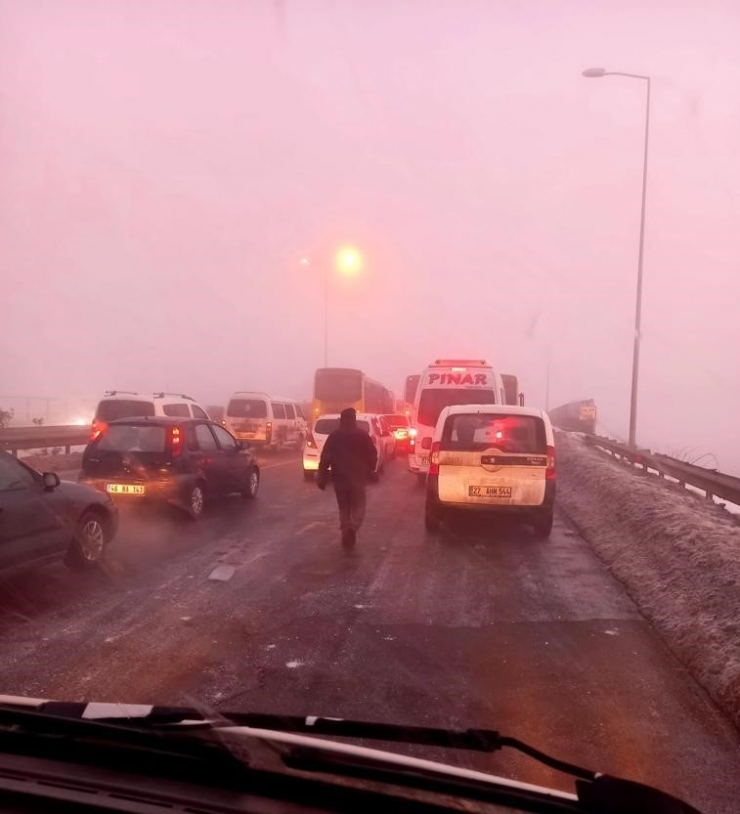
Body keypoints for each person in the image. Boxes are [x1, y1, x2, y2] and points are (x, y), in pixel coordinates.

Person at [317, 408, 378, 547]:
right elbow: (372, 454)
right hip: (358, 477)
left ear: (341, 419)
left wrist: (322, 476)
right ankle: (353, 527)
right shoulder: (363, 435)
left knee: (343, 507)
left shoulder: (334, 436)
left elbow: (325, 457)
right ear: (354, 419)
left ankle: (345, 529)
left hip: (339, 478)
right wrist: (371, 469)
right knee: (359, 506)